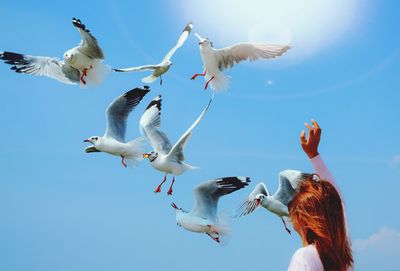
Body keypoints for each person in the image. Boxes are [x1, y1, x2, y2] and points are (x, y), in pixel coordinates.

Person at [287, 120, 353, 271]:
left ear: (300, 217)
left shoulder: (304, 257)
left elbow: (338, 204)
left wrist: (314, 155)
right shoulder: (342, 259)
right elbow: (338, 204)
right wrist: (314, 155)